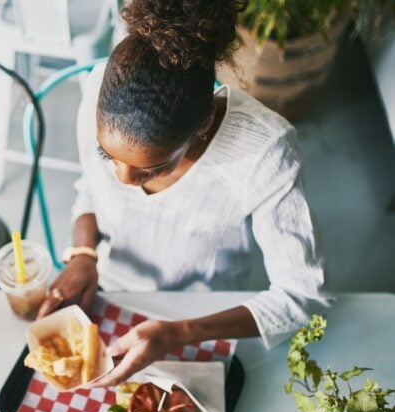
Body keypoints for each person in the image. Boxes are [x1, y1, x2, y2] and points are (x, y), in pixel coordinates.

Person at [38, 0, 330, 386]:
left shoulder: (265, 152)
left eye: (152, 169)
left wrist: (177, 332)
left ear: (205, 124)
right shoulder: (97, 92)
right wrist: (83, 254)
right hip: (109, 290)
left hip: (206, 311)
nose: (123, 179)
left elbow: (300, 297)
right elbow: (89, 188)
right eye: (106, 155)